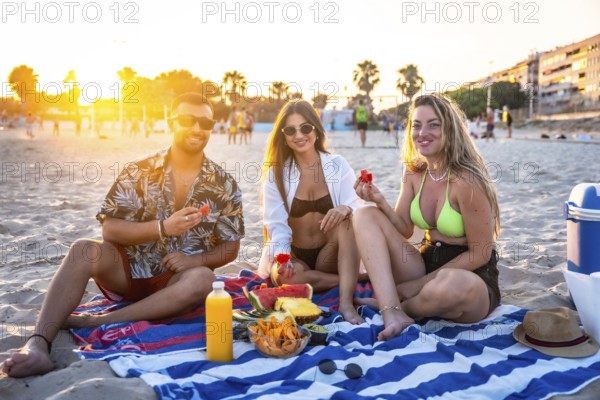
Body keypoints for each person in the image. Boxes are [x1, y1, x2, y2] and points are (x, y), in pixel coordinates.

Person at [0, 92, 245, 378]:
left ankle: (95, 321)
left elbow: (231, 248)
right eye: (187, 119)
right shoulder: (139, 171)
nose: (196, 128)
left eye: (204, 122)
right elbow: (110, 229)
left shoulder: (224, 183)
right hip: (127, 270)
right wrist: (162, 227)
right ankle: (38, 344)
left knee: (204, 277)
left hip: (177, 283)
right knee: (83, 250)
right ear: (171, 121)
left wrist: (196, 260)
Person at [352, 94, 500, 341]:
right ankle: (392, 311)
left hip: (471, 273)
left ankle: (402, 306)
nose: (423, 132)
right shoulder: (413, 173)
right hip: (425, 261)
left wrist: (417, 285)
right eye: (416, 125)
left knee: (452, 287)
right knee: (365, 215)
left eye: (433, 124)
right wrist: (379, 202)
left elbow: (481, 253)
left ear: (449, 130)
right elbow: (403, 230)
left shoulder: (467, 181)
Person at [258, 99, 365, 324]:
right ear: (284, 137)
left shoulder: (337, 164)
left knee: (347, 222)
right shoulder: (276, 174)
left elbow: (359, 206)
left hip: (331, 253)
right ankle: (347, 278)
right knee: (284, 279)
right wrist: (283, 259)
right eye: (291, 130)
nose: (299, 135)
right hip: (296, 256)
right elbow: (276, 227)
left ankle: (346, 302)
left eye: (305, 127)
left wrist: (345, 208)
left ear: (316, 130)